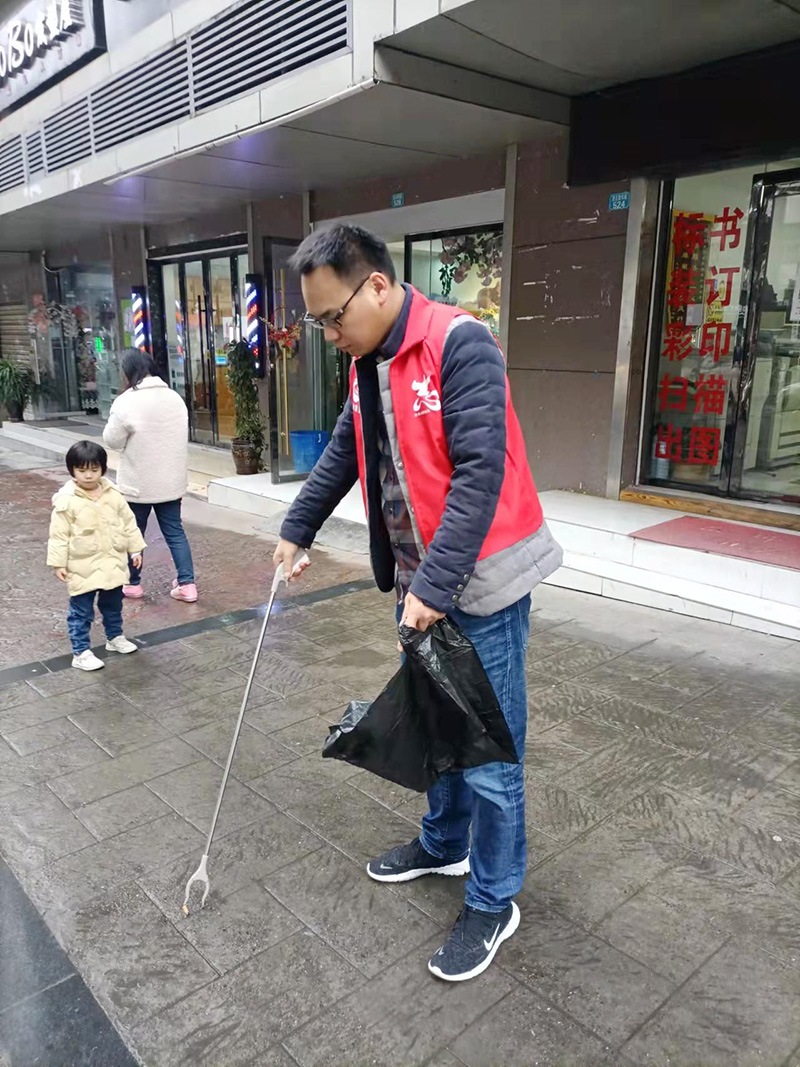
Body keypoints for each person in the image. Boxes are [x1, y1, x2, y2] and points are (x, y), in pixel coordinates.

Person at [273, 224, 562, 982]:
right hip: (419, 585)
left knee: (491, 751)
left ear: (376, 285)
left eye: (333, 316)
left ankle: (494, 899)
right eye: (318, 322)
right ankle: (444, 843)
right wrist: (297, 528)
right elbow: (345, 449)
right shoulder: (367, 361)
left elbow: (480, 473)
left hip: (479, 585)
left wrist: (434, 589)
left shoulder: (460, 344)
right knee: (439, 726)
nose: (329, 334)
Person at [103, 349, 198, 603]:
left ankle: (132, 583)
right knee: (175, 532)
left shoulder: (126, 402)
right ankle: (187, 584)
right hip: (171, 481)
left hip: (138, 483)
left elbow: (112, 440)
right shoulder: (174, 398)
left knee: (134, 532)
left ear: (128, 371)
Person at [47, 441, 145, 672]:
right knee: (81, 610)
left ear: (102, 468)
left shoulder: (113, 495)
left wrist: (135, 549)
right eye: (82, 470)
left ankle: (115, 637)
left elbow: (128, 523)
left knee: (113, 604)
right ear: (72, 470)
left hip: (112, 561)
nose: (89, 475)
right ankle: (81, 651)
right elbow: (58, 535)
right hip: (82, 565)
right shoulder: (67, 500)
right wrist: (58, 563)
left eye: (94, 469)